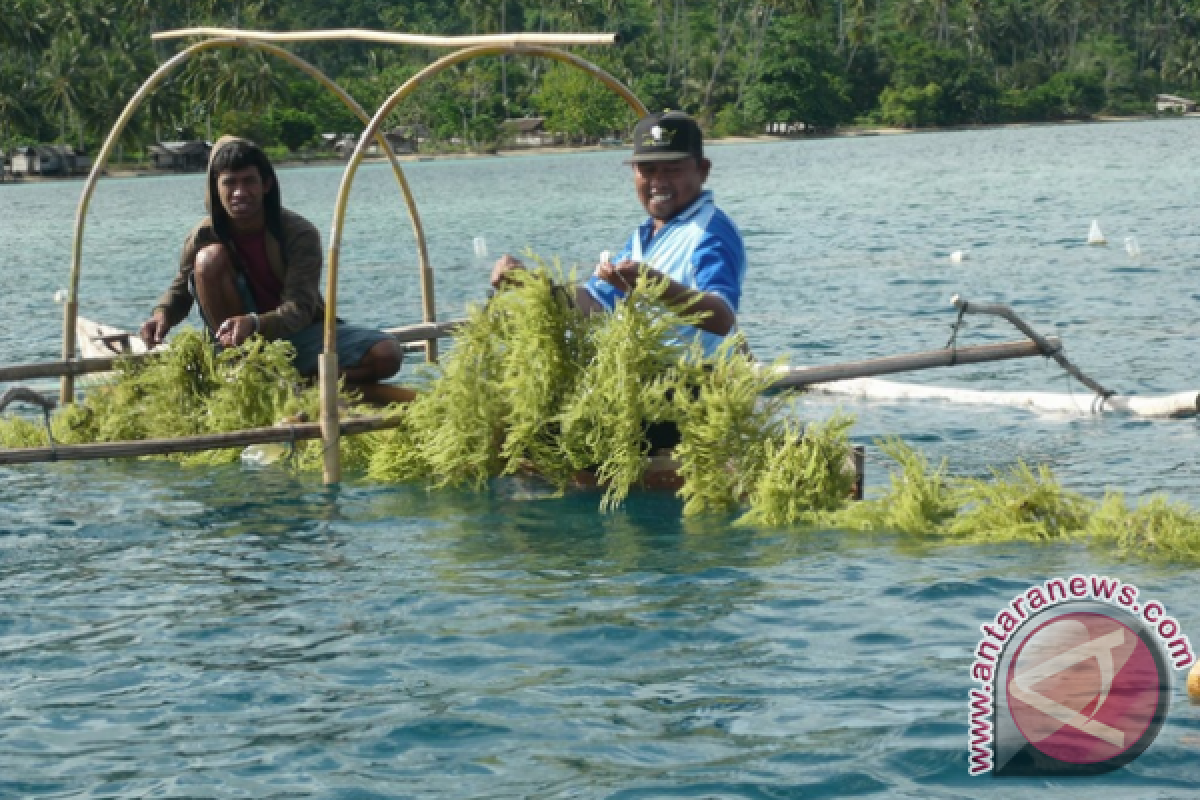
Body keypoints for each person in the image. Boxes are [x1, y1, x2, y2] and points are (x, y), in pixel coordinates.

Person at [140, 136, 402, 389]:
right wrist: (161, 316)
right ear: (216, 188)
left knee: (387, 354)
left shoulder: (298, 234)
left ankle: (302, 378)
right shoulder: (204, 234)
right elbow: (181, 290)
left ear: (265, 185)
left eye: (249, 182)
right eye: (230, 183)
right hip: (233, 340)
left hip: (294, 333)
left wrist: (255, 323)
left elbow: (300, 308)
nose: (239, 192)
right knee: (208, 259)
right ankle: (239, 366)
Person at [491, 111, 746, 359]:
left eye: (672, 169)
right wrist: (532, 284)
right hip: (643, 384)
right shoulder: (645, 236)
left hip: (696, 387)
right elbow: (595, 304)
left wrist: (655, 285)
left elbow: (722, 318)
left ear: (702, 170)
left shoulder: (709, 231)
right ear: (634, 172)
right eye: (647, 170)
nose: (658, 181)